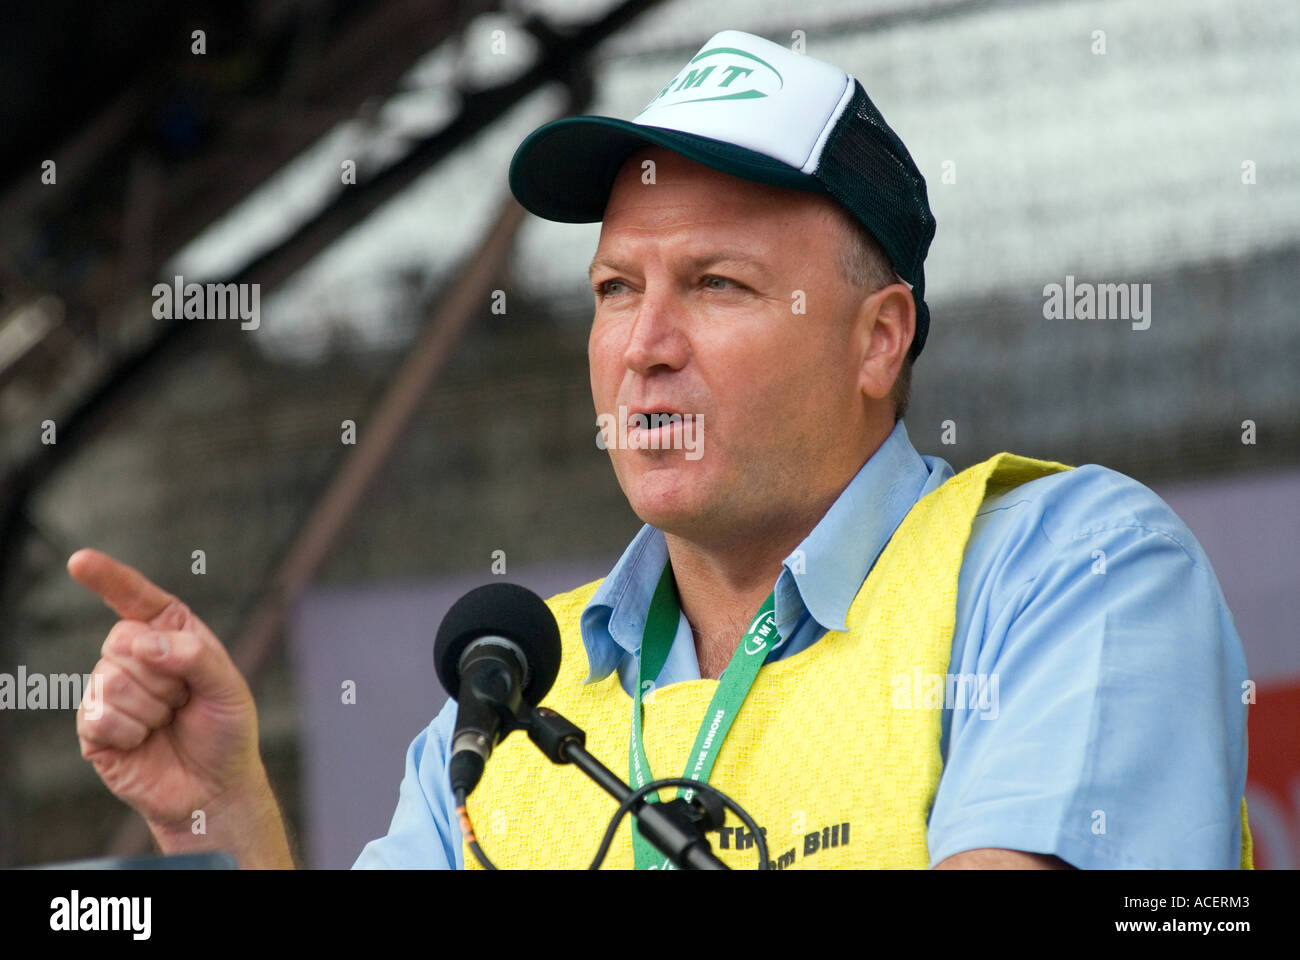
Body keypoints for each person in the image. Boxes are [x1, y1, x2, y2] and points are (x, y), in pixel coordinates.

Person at [70, 30, 1251, 870]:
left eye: (717, 285)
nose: (644, 345)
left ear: (876, 340)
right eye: (615, 288)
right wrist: (220, 824)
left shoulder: (1063, 570)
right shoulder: (504, 696)